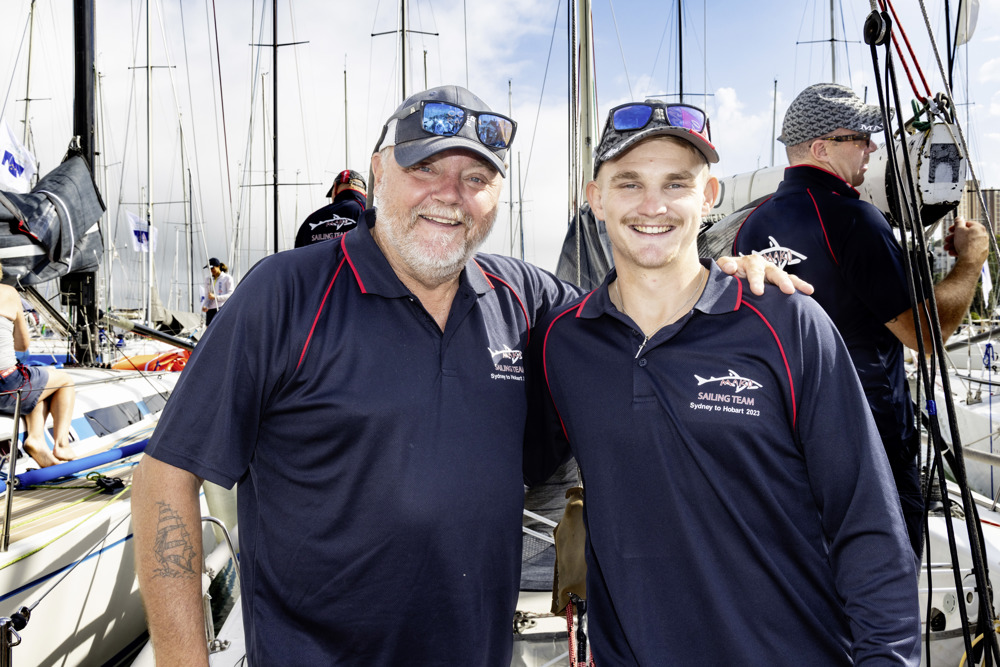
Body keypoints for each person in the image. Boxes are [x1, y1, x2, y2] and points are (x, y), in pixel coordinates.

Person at [132, 85, 801, 666]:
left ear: (497, 196)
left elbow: (639, 314)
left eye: (476, 179)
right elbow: (166, 474)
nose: (450, 196)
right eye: (426, 168)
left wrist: (723, 280)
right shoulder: (285, 294)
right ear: (380, 171)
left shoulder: (525, 298)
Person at [524, 100, 921, 664]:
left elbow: (869, 526)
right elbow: (497, 465)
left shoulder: (788, 323)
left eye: (677, 183)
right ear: (596, 200)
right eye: (630, 183)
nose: (653, 206)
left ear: (708, 198)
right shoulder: (563, 344)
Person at [732, 83, 990, 557]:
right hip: (869, 445)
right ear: (820, 147)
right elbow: (925, 336)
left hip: (784, 447)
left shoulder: (751, 226)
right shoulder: (855, 220)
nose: (872, 147)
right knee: (883, 592)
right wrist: (970, 263)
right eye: (860, 137)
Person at [0, 264, 77, 467]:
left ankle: (37, 441)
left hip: (13, 388)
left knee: (37, 386)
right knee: (65, 382)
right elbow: (23, 344)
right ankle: (61, 444)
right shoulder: (8, 292)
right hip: (6, 386)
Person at [294, 168, 368, 248]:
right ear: (365, 195)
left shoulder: (310, 220)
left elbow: (298, 256)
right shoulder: (372, 214)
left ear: (335, 188)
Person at [201, 257, 234, 326]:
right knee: (208, 330)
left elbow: (231, 294)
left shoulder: (227, 278)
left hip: (222, 307)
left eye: (212, 268)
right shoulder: (208, 279)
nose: (211, 270)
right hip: (211, 309)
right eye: (209, 268)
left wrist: (216, 297)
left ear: (218, 266)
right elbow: (207, 295)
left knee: (221, 328)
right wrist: (205, 305)